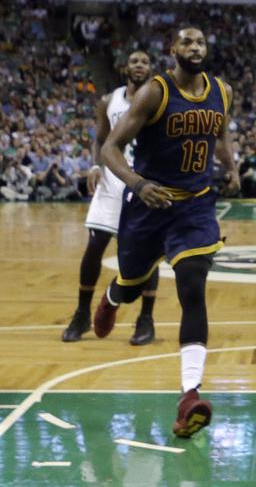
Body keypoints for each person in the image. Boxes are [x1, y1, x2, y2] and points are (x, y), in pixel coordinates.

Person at [93, 26, 240, 438]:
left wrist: (231, 167)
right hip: (148, 203)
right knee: (132, 285)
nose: (196, 47)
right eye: (188, 42)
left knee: (192, 284)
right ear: (172, 50)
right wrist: (138, 184)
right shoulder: (154, 92)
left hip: (194, 204)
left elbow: (222, 132)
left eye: (201, 41)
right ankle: (112, 296)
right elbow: (110, 148)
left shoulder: (222, 91)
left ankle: (189, 394)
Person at [61, 50, 160, 344]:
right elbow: (101, 139)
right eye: (135, 62)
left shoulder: (159, 100)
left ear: (151, 69)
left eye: (144, 62)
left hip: (144, 180)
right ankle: (81, 315)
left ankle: (145, 320)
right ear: (125, 68)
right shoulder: (108, 101)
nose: (139, 66)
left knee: (147, 255)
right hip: (112, 179)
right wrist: (94, 165)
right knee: (94, 247)